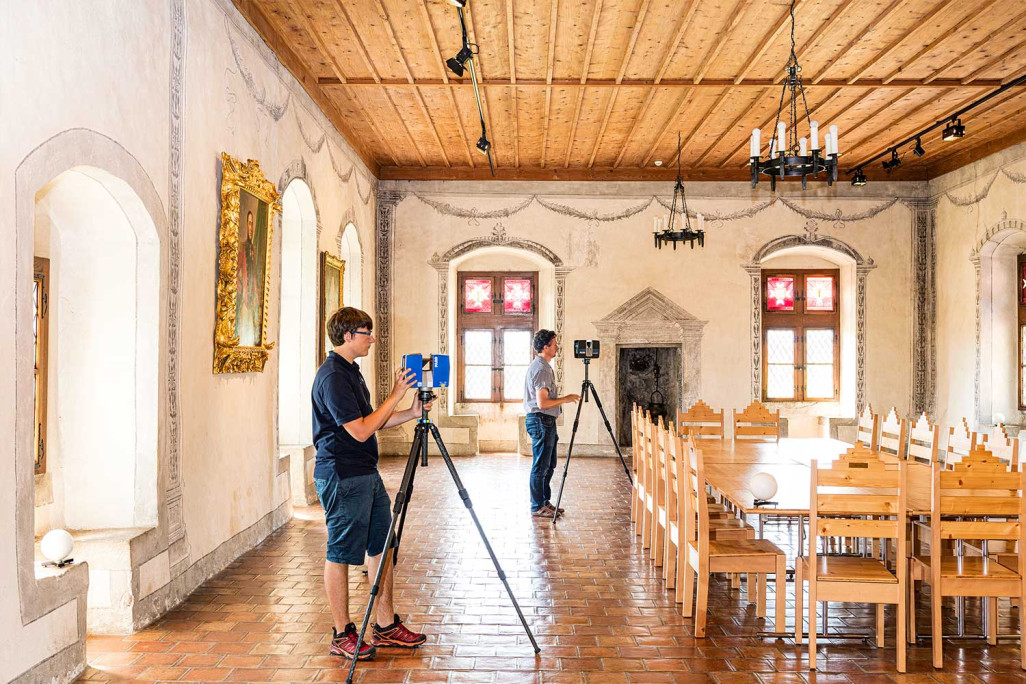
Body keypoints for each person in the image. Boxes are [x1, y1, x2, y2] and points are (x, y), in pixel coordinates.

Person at [311, 307, 432, 661]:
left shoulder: (350, 372)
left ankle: (386, 624)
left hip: (365, 473)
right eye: (366, 332)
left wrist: (411, 411)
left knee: (383, 545)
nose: (372, 338)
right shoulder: (332, 376)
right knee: (341, 552)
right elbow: (360, 430)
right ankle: (341, 633)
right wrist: (395, 393)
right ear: (348, 335)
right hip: (342, 475)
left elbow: (371, 421)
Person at [523, 330, 579, 518]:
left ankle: (544, 502)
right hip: (540, 420)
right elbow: (542, 403)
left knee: (549, 464)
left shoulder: (544, 366)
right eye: (554, 344)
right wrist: (566, 398)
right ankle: (537, 505)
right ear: (545, 347)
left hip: (546, 420)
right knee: (540, 466)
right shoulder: (541, 369)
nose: (557, 347)